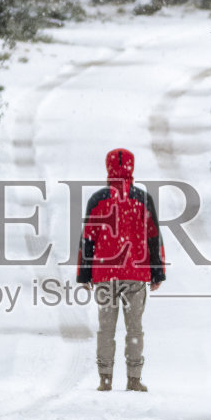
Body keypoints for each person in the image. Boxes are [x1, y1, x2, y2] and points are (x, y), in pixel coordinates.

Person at [76, 147, 165, 392]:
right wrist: (157, 272)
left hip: (105, 275)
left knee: (106, 328)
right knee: (134, 328)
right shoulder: (143, 199)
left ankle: (105, 379)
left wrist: (85, 274)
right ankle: (134, 379)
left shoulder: (97, 199)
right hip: (135, 274)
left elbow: (88, 239)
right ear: (131, 167)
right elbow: (153, 237)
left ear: (108, 168)